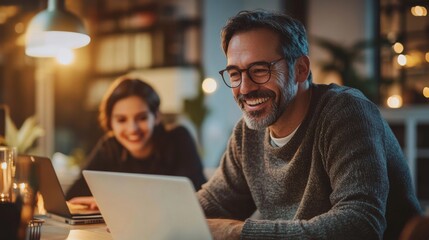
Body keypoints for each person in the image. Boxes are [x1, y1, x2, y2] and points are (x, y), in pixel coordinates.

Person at [196, 10, 422, 240]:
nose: (245, 88)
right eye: (235, 74)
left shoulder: (345, 113)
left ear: (301, 69)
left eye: (260, 70)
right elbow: (210, 205)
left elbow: (360, 224)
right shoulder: (247, 135)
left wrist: (236, 232)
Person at [66, 77, 207, 207]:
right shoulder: (109, 146)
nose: (132, 129)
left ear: (156, 117)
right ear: (110, 122)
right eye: (121, 120)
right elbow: (74, 196)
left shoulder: (179, 138)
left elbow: (192, 197)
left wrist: (113, 202)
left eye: (142, 118)